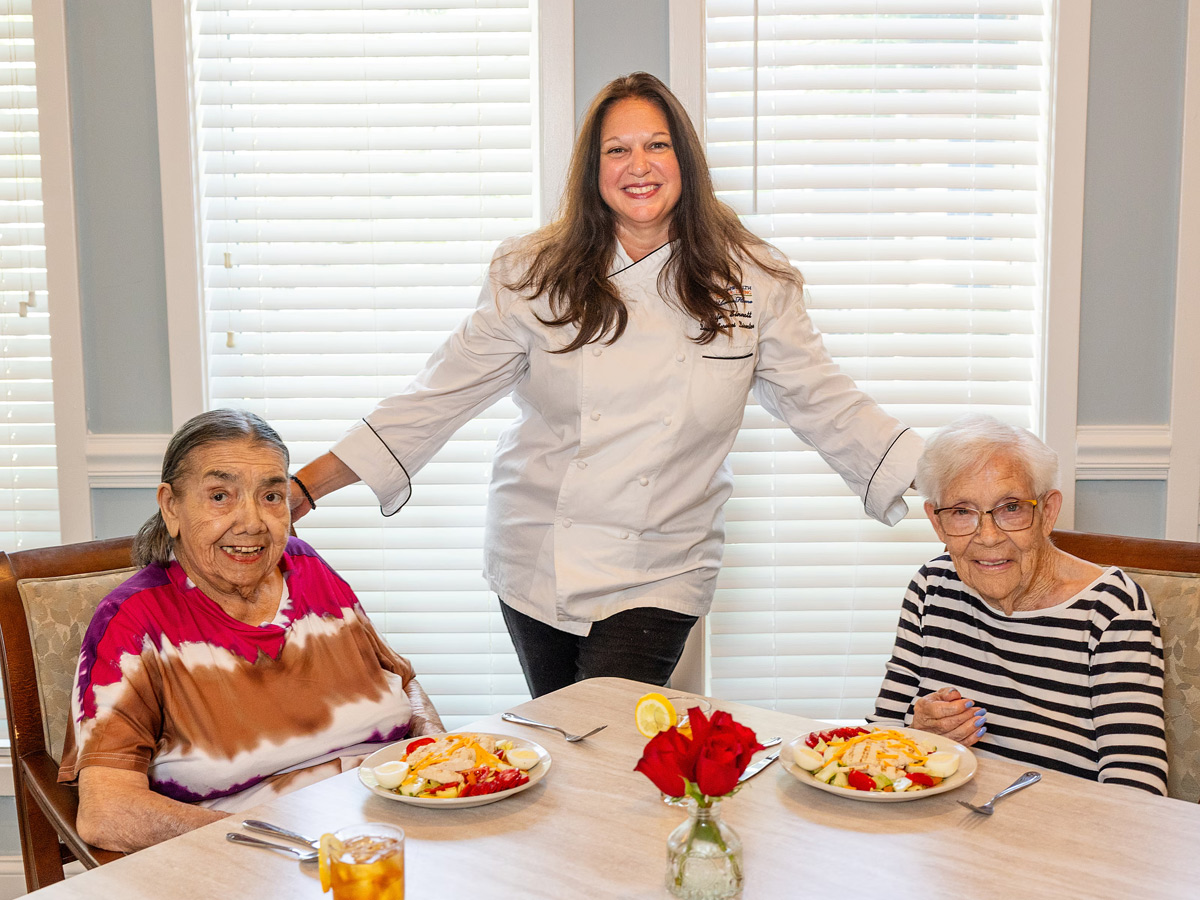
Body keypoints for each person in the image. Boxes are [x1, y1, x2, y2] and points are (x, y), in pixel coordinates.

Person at [289, 72, 922, 698]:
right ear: (592, 171)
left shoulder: (755, 282)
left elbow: (826, 401)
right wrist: (303, 489)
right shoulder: (533, 276)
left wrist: (948, 477)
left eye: (657, 144)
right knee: (565, 747)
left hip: (663, 560)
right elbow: (436, 397)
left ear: (687, 161)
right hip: (539, 553)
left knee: (601, 738)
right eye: (616, 150)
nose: (637, 165)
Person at [59, 410, 444, 852]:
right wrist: (276, 841)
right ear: (171, 506)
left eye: (271, 496)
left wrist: (437, 760)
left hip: (394, 833)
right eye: (220, 496)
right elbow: (107, 813)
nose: (252, 522)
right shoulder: (134, 622)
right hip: (256, 858)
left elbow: (403, 682)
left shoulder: (305, 566)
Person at [870, 414, 1167, 795]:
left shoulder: (1111, 609)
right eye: (962, 512)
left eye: (1010, 508)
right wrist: (915, 735)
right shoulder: (931, 587)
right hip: (938, 833)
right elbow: (878, 738)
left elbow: (1138, 792)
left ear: (1047, 512)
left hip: (1060, 838)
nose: (988, 537)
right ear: (936, 521)